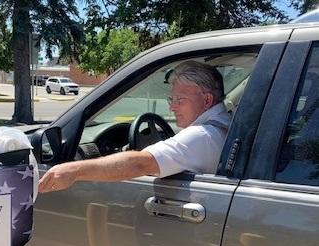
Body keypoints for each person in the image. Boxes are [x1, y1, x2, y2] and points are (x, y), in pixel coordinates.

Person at [38, 60, 231, 193]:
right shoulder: (224, 124)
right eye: (171, 98)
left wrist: (74, 170)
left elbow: (141, 163)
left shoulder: (202, 136)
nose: (172, 106)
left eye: (180, 99)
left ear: (207, 100)